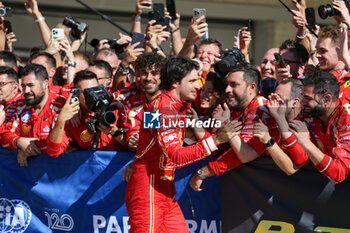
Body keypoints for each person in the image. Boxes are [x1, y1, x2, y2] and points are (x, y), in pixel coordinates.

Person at [125, 56, 240, 233]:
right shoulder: (163, 108)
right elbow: (176, 156)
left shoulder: (176, 108)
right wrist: (216, 139)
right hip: (149, 190)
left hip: (163, 189)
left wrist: (211, 130)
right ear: (175, 83)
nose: (198, 86)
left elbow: (150, 143)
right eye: (193, 80)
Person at [189, 64, 278, 191]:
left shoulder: (259, 108)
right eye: (227, 84)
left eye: (234, 85)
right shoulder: (234, 109)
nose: (227, 90)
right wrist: (196, 123)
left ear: (251, 88)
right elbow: (216, 148)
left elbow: (245, 154)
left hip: (268, 189)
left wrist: (203, 172)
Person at [46, 70, 127, 157]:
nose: (91, 96)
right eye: (85, 92)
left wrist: (115, 133)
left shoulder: (117, 107)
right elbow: (53, 152)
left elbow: (135, 146)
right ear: (76, 93)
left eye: (94, 90)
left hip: (117, 168)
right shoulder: (73, 117)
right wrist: (61, 120)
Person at [289, 71, 350, 183]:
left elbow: (339, 173)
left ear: (326, 100)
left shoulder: (347, 118)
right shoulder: (307, 113)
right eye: (303, 97)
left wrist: (307, 144)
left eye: (307, 98)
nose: (302, 102)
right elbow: (299, 159)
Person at [0, 64, 66, 166]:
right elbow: (4, 135)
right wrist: (18, 141)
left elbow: (56, 148)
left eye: (31, 85)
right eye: (23, 86)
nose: (26, 91)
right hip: (27, 178)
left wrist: (29, 148)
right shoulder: (21, 105)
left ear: (45, 84)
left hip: (59, 177)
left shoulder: (61, 106)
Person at [253, 78, 308, 175]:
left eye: (279, 98)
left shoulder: (307, 123)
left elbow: (298, 163)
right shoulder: (269, 122)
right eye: (274, 95)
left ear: (294, 103)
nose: (274, 100)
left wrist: (268, 140)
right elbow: (248, 153)